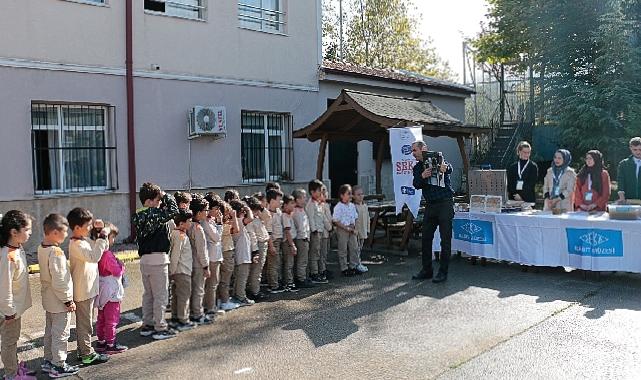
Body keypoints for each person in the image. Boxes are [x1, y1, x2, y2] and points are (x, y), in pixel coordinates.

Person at [131, 182, 179, 340]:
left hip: (145, 260)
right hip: (158, 259)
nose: (160, 203)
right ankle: (160, 327)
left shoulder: (140, 214)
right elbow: (174, 211)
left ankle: (148, 324)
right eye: (158, 200)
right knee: (160, 295)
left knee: (149, 295)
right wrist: (167, 196)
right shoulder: (153, 213)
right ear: (150, 201)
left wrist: (162, 199)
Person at [38, 214, 80, 378]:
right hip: (59, 302)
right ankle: (59, 365)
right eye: (64, 231)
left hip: (48, 299)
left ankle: (49, 360)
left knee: (49, 332)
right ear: (55, 232)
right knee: (61, 334)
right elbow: (60, 280)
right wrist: (68, 300)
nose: (66, 235)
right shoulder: (56, 253)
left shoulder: (42, 248)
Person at [67, 207, 110, 365]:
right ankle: (86, 354)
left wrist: (100, 235)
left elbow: (102, 248)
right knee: (85, 325)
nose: (90, 227)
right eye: (88, 225)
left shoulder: (83, 240)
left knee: (85, 323)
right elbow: (94, 257)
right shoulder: (77, 244)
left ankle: (82, 350)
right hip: (83, 291)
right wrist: (102, 237)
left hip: (87, 289)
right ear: (77, 228)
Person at [411, 140, 454, 284]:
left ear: (423, 149)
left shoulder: (438, 158)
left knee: (445, 239)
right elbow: (416, 184)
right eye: (412, 151)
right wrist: (422, 176)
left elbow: (450, 169)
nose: (413, 154)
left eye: (414, 151)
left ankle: (443, 272)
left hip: (445, 203)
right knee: (426, 238)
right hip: (430, 205)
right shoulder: (417, 167)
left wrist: (445, 168)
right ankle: (427, 270)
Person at [0, 211, 36, 380]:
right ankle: (11, 375)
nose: (30, 233)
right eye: (27, 229)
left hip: (14, 309)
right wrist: (8, 312)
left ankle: (13, 367)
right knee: (9, 342)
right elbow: (3, 287)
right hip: (8, 311)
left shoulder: (16, 247)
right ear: (14, 232)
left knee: (12, 340)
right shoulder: (7, 257)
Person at [96, 223, 129, 354]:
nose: (113, 240)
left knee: (102, 317)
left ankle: (101, 341)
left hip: (102, 287)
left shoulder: (98, 253)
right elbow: (116, 272)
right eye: (112, 237)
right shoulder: (107, 255)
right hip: (112, 289)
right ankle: (111, 343)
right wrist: (121, 265)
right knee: (112, 318)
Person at [168, 210, 196, 331]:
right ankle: (183, 320)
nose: (191, 223)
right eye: (189, 221)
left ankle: (175, 317)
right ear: (181, 223)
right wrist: (172, 271)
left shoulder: (176, 233)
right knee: (184, 296)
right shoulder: (180, 235)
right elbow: (175, 255)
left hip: (179, 270)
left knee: (176, 296)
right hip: (182, 270)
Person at [187, 196, 212, 325]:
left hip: (188, 262)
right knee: (198, 289)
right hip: (198, 264)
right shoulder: (198, 229)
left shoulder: (188, 225)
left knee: (192, 289)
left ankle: (192, 312)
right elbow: (202, 250)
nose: (207, 212)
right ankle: (197, 314)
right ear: (198, 212)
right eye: (205, 210)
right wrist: (206, 267)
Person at [229, 200, 256, 306]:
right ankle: (241, 297)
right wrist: (248, 208)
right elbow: (251, 218)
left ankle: (236, 296)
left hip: (238, 254)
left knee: (238, 276)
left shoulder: (232, 222)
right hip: (242, 255)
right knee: (242, 277)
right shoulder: (239, 221)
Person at [202, 193, 225, 316]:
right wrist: (220, 224)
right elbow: (216, 237)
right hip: (211, 257)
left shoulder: (210, 221)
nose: (217, 211)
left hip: (214, 255)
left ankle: (210, 306)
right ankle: (210, 308)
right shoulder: (205, 222)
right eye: (215, 208)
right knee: (212, 284)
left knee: (213, 283)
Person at [332, 184, 362, 277]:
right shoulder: (338, 207)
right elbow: (336, 221)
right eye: (348, 194)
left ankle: (353, 266)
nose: (350, 196)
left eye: (351, 194)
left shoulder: (352, 206)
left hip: (351, 228)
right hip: (343, 229)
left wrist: (353, 226)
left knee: (354, 248)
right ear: (342, 195)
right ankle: (344, 268)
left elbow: (355, 217)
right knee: (343, 249)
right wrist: (346, 228)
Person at [245, 196, 270, 301]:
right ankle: (255, 291)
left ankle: (255, 289)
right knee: (256, 270)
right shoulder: (249, 221)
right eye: (255, 211)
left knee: (258, 269)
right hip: (258, 245)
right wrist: (255, 251)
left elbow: (268, 217)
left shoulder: (257, 217)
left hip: (263, 243)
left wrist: (262, 209)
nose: (256, 213)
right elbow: (252, 236)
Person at [218, 200, 240, 311]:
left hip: (221, 252)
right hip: (226, 251)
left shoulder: (220, 223)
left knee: (221, 279)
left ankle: (220, 300)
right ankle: (225, 301)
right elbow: (236, 230)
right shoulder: (223, 224)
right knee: (225, 279)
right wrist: (234, 217)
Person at [305, 180, 328, 284]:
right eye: (319, 190)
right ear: (312, 192)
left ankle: (319, 271)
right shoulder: (311, 204)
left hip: (320, 231)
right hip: (315, 232)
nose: (320, 192)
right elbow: (310, 218)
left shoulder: (318, 204)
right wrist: (314, 230)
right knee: (314, 253)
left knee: (318, 253)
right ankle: (314, 273)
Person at [292, 189, 314, 289]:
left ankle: (303, 276)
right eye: (303, 197)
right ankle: (301, 278)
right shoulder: (295, 211)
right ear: (297, 200)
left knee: (304, 259)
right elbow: (299, 226)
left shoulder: (302, 209)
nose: (305, 199)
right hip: (301, 238)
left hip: (305, 238)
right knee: (301, 260)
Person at [266, 189, 286, 294]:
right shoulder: (268, 215)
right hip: (273, 242)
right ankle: (273, 285)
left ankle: (277, 281)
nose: (281, 202)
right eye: (279, 200)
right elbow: (268, 232)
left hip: (279, 240)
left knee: (277, 263)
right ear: (272, 201)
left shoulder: (278, 212)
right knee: (273, 264)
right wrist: (271, 246)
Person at [281, 195, 300, 291]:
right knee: (289, 263)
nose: (294, 205)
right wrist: (292, 245)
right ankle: (288, 283)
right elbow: (287, 232)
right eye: (291, 203)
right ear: (285, 205)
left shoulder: (289, 215)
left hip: (291, 241)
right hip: (288, 243)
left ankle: (290, 281)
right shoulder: (285, 216)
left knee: (291, 263)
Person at [617, 137, 641, 203]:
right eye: (635, 150)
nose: (638, 152)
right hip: (628, 201)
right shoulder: (623, 164)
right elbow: (620, 181)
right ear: (630, 148)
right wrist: (622, 197)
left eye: (640, 149)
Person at [352, 185, 370, 273]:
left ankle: (358, 263)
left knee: (360, 247)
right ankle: (356, 264)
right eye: (358, 194)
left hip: (363, 230)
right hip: (356, 231)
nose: (360, 196)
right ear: (353, 196)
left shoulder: (365, 206)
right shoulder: (353, 207)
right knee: (356, 248)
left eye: (362, 194)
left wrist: (368, 229)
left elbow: (368, 218)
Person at [320, 186, 334, 280]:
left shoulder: (326, 205)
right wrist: (330, 228)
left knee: (326, 251)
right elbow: (324, 219)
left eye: (326, 193)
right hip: (324, 231)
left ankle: (324, 267)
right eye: (323, 193)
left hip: (328, 231)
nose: (325, 195)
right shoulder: (321, 206)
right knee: (322, 252)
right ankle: (322, 269)